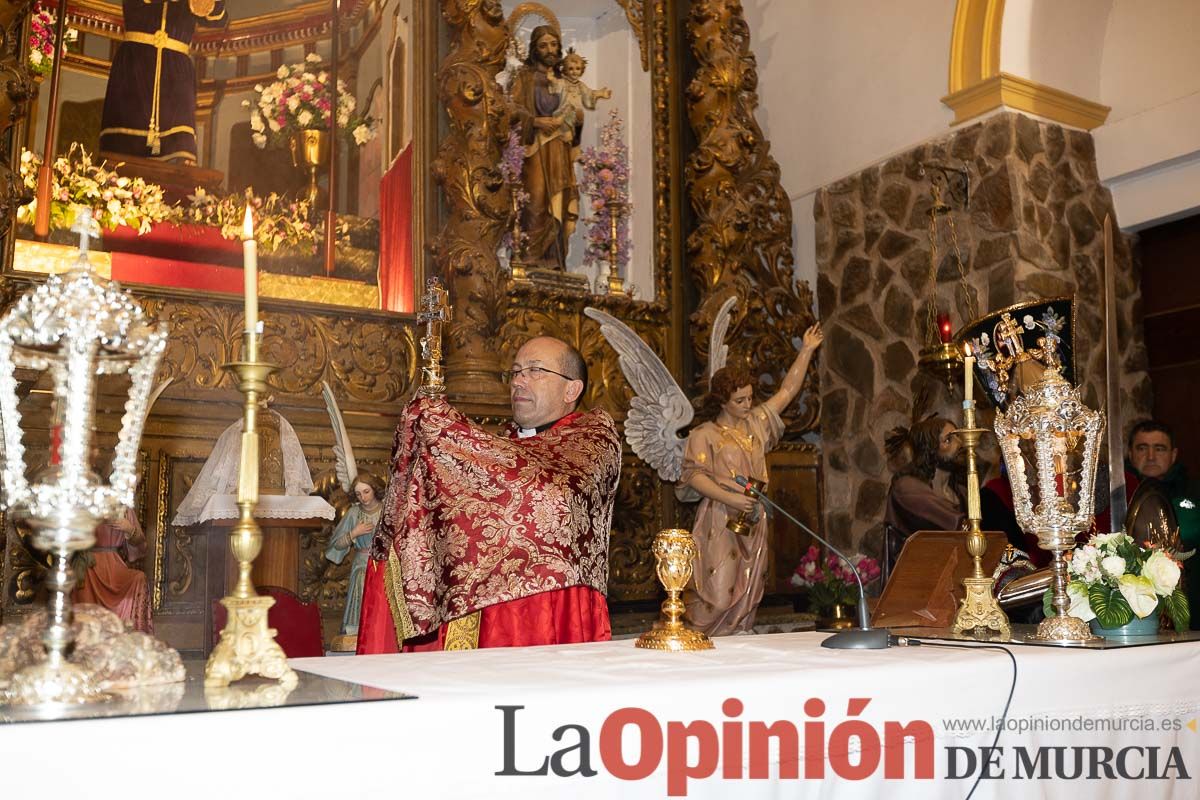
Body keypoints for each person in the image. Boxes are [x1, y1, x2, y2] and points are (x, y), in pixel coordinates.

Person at [356, 336, 621, 653]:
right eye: (516, 372)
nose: (520, 381)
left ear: (572, 389)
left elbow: (544, 487)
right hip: (478, 614)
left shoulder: (593, 439)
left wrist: (449, 432)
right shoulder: (499, 446)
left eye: (535, 370)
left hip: (549, 612)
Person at [677, 324, 823, 636]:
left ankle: (741, 635)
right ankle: (705, 640)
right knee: (718, 593)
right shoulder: (704, 435)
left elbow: (788, 390)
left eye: (749, 398)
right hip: (720, 518)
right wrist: (730, 498)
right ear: (722, 401)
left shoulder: (755, 424)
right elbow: (694, 477)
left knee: (749, 588)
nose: (747, 405)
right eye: (740, 400)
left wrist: (807, 350)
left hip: (753, 518)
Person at [99, 0, 227, 163]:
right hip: (135, 66)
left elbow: (217, 18)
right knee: (120, 156)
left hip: (176, 73)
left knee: (178, 157)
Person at [509, 25, 579, 270]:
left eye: (553, 44)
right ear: (534, 49)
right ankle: (529, 258)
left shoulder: (564, 81)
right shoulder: (523, 78)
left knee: (558, 200)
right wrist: (536, 121)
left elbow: (576, 113)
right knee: (536, 201)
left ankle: (554, 259)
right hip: (534, 150)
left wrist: (572, 117)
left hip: (559, 149)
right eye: (543, 45)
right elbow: (510, 110)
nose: (550, 50)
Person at [1127, 419, 1200, 629]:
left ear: (1174, 454)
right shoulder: (1117, 494)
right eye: (1142, 448)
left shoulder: (1195, 492)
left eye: (1159, 449)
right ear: (1130, 453)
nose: (1150, 456)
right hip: (1133, 606)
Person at [324, 472, 386, 642]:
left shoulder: (386, 509)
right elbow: (336, 545)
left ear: (375, 489)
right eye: (359, 494)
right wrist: (353, 533)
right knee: (360, 585)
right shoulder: (353, 513)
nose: (363, 497)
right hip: (361, 564)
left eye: (366, 491)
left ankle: (382, 633)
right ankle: (356, 632)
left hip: (384, 563)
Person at [73, 507, 153, 633]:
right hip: (87, 565)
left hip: (114, 567)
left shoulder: (123, 506)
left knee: (139, 578)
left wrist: (130, 530)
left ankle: (132, 639)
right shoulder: (82, 501)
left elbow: (141, 547)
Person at [884, 415, 965, 538]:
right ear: (929, 449)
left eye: (958, 436)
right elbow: (950, 522)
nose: (960, 443)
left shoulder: (961, 493)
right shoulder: (907, 487)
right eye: (948, 440)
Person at [548, 49, 611, 151]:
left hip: (575, 115)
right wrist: (551, 79)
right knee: (567, 134)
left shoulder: (580, 85)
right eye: (571, 68)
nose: (574, 71)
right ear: (565, 70)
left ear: (582, 70)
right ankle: (569, 138)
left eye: (577, 69)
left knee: (579, 114)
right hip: (563, 113)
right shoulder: (563, 82)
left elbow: (589, 93)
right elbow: (555, 85)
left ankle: (576, 138)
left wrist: (600, 93)